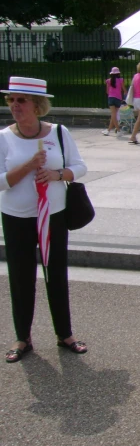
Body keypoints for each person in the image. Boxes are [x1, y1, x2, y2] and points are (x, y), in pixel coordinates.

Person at [1, 77, 88, 362]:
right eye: (11, 100)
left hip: (53, 214)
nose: (15, 105)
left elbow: (79, 166)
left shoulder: (59, 133)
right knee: (21, 277)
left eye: (21, 100)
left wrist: (56, 174)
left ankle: (65, 335)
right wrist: (28, 166)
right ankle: (22, 338)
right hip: (17, 216)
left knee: (56, 274)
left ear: (37, 105)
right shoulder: (4, 137)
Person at [102, 67, 125, 136]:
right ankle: (109, 130)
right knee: (114, 115)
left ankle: (117, 130)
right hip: (118, 99)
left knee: (113, 115)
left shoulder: (108, 81)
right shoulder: (121, 80)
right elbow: (123, 89)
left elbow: (107, 91)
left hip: (111, 98)